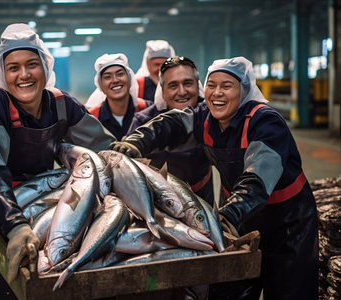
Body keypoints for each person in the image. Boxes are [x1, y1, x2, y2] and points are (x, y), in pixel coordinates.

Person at [110, 56, 318, 300]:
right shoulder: (205, 117)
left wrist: (228, 216)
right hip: (243, 218)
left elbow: (257, 180)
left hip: (287, 223)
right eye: (212, 85)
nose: (217, 93)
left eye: (226, 86)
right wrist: (137, 141)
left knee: (288, 289)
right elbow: (171, 122)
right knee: (229, 288)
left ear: (244, 90)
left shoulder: (265, 122)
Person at [0, 23, 115, 300]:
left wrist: (132, 162)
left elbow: (104, 147)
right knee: (6, 285)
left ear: (45, 67)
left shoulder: (60, 103)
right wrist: (14, 225)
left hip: (43, 196)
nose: (24, 75)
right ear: (3, 73)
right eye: (13, 68)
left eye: (32, 64)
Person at [128, 56, 214, 203]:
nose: (181, 92)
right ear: (162, 92)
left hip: (202, 198)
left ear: (197, 86)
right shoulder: (143, 121)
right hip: (159, 202)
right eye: (173, 86)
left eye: (188, 83)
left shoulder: (210, 116)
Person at [86, 53, 153, 141]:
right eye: (107, 77)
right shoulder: (93, 118)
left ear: (129, 79)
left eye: (120, 74)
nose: (115, 80)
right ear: (100, 85)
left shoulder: (148, 110)